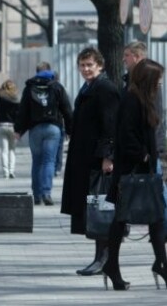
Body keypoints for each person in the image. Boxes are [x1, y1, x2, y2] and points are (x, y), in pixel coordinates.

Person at [103, 58, 167, 290]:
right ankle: (112, 265)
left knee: (156, 218)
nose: (160, 84)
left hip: (142, 172)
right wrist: (144, 156)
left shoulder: (143, 99)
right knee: (121, 220)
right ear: (147, 80)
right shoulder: (132, 100)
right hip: (132, 172)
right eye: (157, 80)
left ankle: (161, 262)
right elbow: (126, 136)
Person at [60, 47, 119, 277]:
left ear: (100, 65)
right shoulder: (90, 87)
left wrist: (108, 156)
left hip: (97, 161)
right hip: (85, 158)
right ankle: (100, 257)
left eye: (89, 65)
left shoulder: (105, 89)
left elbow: (110, 125)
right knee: (94, 208)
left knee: (101, 208)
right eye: (82, 65)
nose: (85, 69)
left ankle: (104, 259)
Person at [15, 61, 73, 206]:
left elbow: (23, 111)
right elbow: (67, 109)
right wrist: (70, 130)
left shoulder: (29, 88)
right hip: (53, 129)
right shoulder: (57, 87)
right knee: (49, 161)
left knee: (37, 161)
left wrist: (18, 130)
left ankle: (36, 195)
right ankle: (46, 193)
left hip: (35, 129)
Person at [0, 79, 20, 179]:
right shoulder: (16, 100)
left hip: (1, 126)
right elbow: (19, 115)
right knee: (12, 150)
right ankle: (12, 171)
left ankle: (5, 172)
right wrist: (18, 129)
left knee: (4, 150)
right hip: (13, 127)